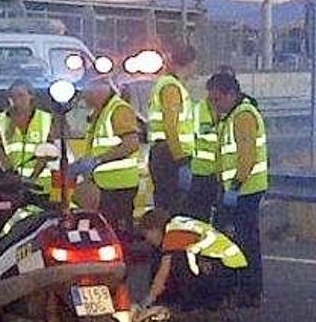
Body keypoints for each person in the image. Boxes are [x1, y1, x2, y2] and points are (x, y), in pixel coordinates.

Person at [206, 72, 268, 308]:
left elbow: (247, 156)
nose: (215, 104)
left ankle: (249, 291)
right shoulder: (233, 115)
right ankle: (242, 289)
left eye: (217, 99)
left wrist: (235, 187)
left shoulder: (242, 116)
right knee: (239, 240)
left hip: (245, 190)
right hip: (238, 189)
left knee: (245, 242)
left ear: (231, 94)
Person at [135, 208, 248, 320]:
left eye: (146, 234)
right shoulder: (178, 224)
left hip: (224, 268)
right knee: (178, 258)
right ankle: (202, 301)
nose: (147, 240)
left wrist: (147, 301)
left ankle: (197, 304)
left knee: (178, 260)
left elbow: (163, 272)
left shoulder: (173, 234)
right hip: (231, 265)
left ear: (154, 229)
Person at [70, 75, 141, 239]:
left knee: (117, 236)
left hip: (118, 186)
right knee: (106, 233)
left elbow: (131, 143)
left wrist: (97, 161)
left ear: (97, 89)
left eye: (85, 91)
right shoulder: (101, 112)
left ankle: (123, 263)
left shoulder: (118, 109)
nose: (83, 97)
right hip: (105, 186)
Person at [147, 43, 196, 213]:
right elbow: (171, 126)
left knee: (167, 204)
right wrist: (181, 160)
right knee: (173, 207)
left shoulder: (168, 85)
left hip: (165, 153)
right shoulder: (171, 87)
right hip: (170, 155)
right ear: (190, 63)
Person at [0, 79, 57, 192]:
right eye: (13, 96)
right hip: (11, 185)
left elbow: (49, 150)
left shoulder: (45, 119)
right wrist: (10, 174)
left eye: (21, 95)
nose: (17, 100)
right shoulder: (1, 120)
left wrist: (32, 178)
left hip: (39, 184)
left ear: (31, 96)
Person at [184, 95, 219, 222]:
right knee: (199, 215)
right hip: (200, 174)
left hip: (219, 174)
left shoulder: (227, 112)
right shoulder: (198, 110)